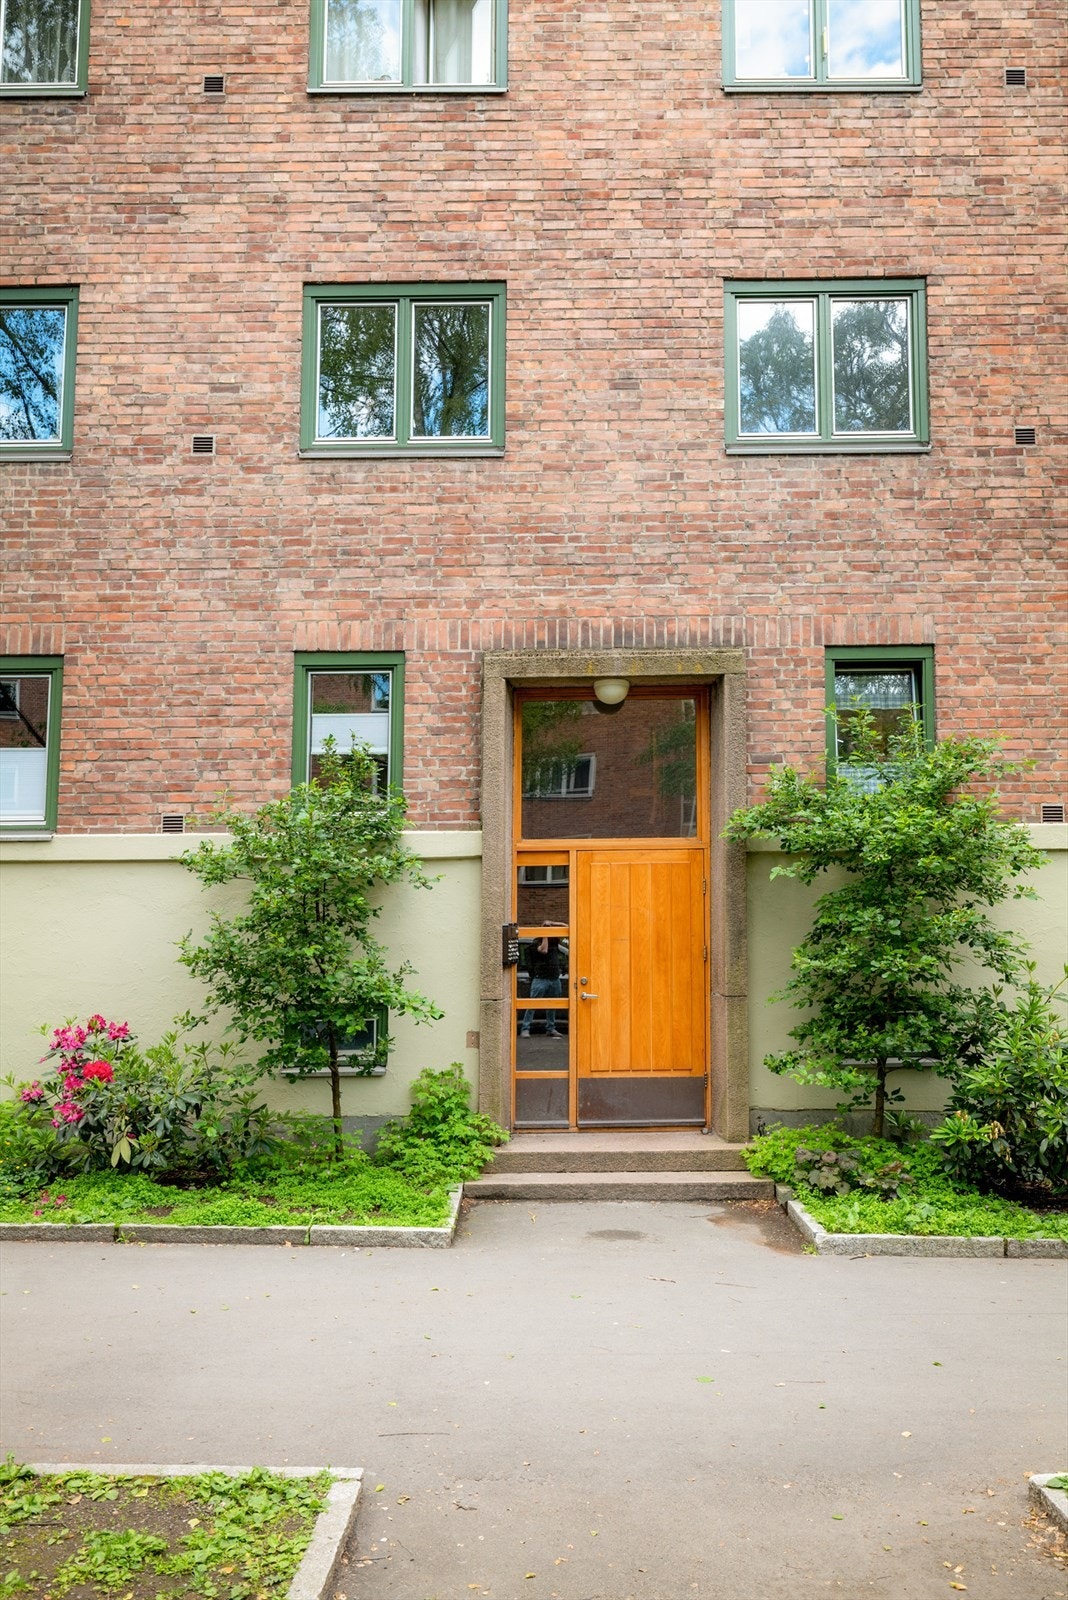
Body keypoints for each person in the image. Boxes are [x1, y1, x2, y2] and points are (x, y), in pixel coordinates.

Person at [519, 927, 565, 1037]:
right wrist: (545, 934)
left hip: (554, 978)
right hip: (540, 979)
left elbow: (566, 927)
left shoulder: (554, 942)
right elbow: (544, 950)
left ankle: (551, 1028)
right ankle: (525, 1028)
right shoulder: (537, 943)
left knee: (552, 1004)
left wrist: (551, 923)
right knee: (533, 1004)